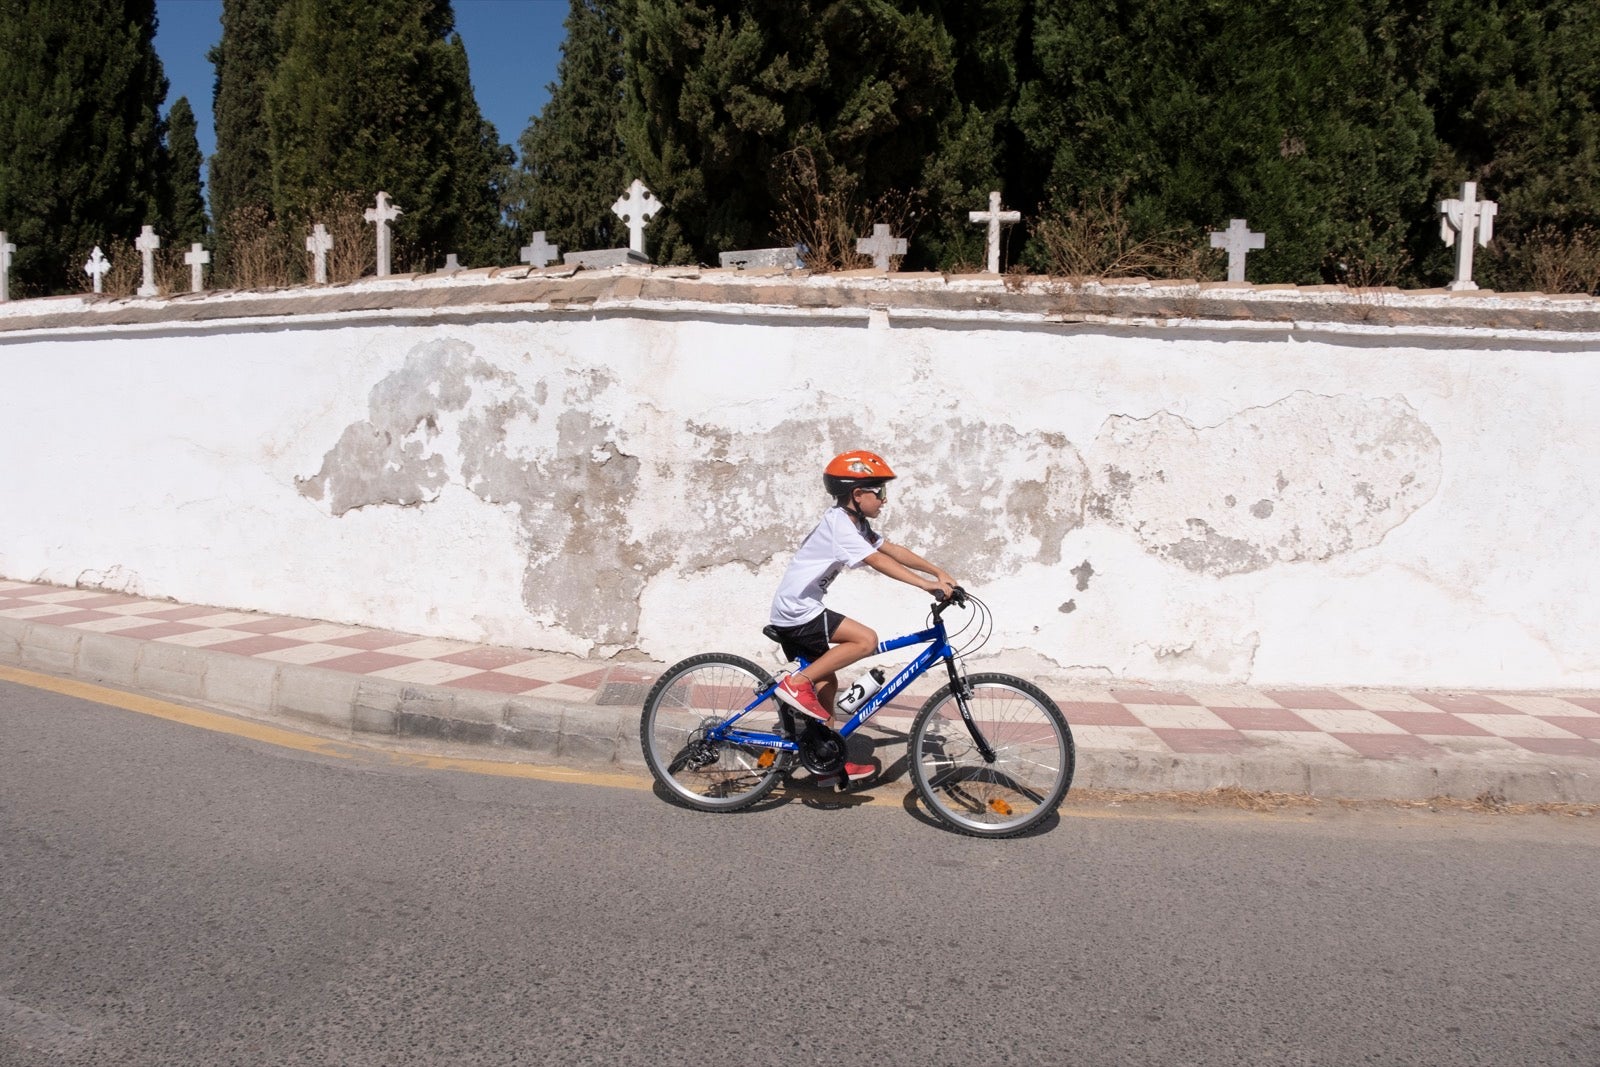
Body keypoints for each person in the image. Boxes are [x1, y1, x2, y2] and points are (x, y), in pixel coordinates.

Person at [767, 450, 957, 780]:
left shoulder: (856, 523)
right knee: (865, 640)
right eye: (879, 491)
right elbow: (878, 561)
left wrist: (939, 571)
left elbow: (892, 550)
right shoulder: (840, 526)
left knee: (827, 682)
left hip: (801, 607)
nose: (884, 500)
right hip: (797, 610)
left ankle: (827, 760)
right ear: (858, 494)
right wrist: (926, 586)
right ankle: (796, 684)